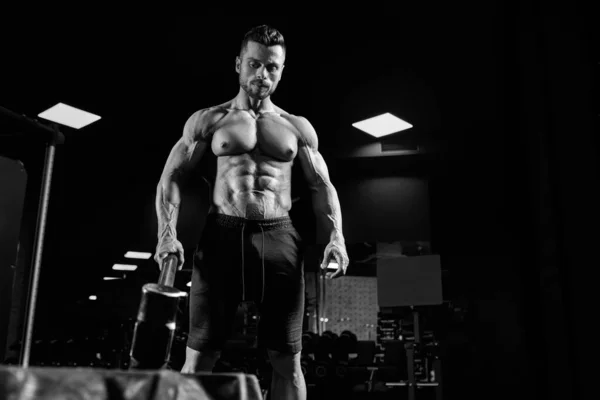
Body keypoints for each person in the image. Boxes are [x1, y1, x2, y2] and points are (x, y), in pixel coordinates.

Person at [154, 24, 349, 400]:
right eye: (255, 64)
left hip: (280, 238)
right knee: (198, 359)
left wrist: (336, 238)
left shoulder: (297, 127)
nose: (263, 74)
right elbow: (173, 176)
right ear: (239, 65)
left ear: (282, 69)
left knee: (288, 362)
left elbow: (322, 187)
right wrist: (167, 232)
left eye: (272, 67)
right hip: (222, 237)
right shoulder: (209, 120)